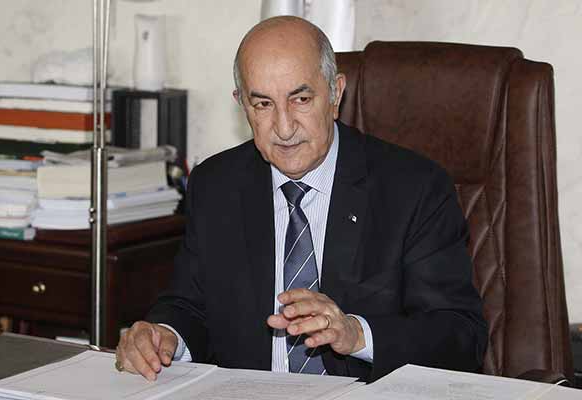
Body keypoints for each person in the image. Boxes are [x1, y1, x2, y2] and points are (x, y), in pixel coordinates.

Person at [116, 16, 487, 382]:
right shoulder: (216, 185)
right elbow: (189, 306)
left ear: (336, 94)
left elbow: (460, 336)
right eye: (263, 104)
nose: (284, 127)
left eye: (301, 99)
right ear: (242, 104)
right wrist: (164, 336)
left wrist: (357, 334)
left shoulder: (414, 190)